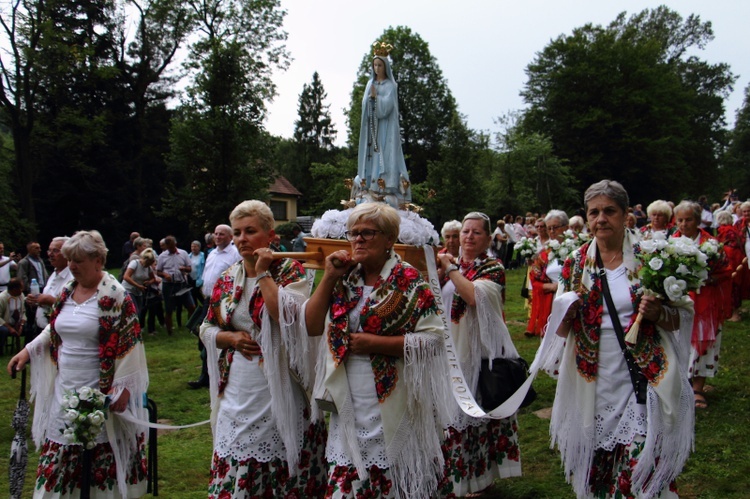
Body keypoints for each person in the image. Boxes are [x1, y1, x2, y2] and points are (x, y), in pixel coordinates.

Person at [547, 180, 694, 497]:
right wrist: (567, 312)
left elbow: (682, 315)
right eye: (594, 212)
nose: (601, 219)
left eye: (609, 211)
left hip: (641, 378)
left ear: (627, 215)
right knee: (598, 469)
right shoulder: (575, 263)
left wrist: (657, 314)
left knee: (642, 469)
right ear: (586, 217)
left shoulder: (651, 258)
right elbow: (560, 327)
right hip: (593, 381)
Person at [304, 202, 449, 498]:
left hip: (394, 395)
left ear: (389, 239)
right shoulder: (346, 278)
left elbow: (433, 339)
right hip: (347, 397)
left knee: (391, 475)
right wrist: (330, 276)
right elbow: (312, 325)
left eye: (367, 233)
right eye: (353, 233)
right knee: (349, 477)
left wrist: (375, 344)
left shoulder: (410, 282)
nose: (358, 239)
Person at [7, 230, 149, 498]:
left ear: (98, 260)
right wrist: (28, 350)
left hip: (100, 388)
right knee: (62, 448)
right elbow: (54, 329)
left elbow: (131, 342)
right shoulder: (66, 293)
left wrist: (124, 387)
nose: (71, 266)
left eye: (78, 260)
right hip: (65, 387)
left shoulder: (117, 297)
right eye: (69, 260)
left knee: (95, 456)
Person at [200, 200, 326, 497]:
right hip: (236, 387)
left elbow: (285, 316)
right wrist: (229, 339)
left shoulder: (291, 271)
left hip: (280, 383)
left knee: (278, 453)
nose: (242, 238)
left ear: (271, 236)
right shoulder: (228, 278)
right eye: (237, 232)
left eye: (250, 231)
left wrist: (263, 272)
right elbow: (206, 327)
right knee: (238, 452)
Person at [436, 212, 522, 497]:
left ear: (487, 239)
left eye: (476, 232)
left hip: (477, 353)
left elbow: (473, 297)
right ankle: (454, 477)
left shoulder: (492, 267)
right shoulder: (452, 265)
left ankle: (481, 479)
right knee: (450, 416)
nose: (469, 236)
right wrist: (439, 274)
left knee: (477, 414)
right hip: (449, 350)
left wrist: (450, 271)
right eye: (465, 232)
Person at [672, 200, 732, 410]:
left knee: (703, 341)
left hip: (705, 302)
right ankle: (680, 384)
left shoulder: (710, 244)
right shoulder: (669, 243)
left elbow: (726, 269)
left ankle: (698, 388)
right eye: (680, 220)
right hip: (678, 302)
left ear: (697, 220)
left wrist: (711, 278)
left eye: (688, 219)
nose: (684, 224)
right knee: (678, 341)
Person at [352, 43, 411, 209]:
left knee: (384, 155)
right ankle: (369, 185)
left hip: (385, 130)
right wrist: (370, 99)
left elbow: (386, 108)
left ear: (385, 66)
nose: (377, 68)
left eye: (380, 65)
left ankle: (384, 186)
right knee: (370, 155)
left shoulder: (390, 86)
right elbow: (365, 105)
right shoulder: (370, 84)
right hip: (371, 130)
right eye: (375, 65)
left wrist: (376, 99)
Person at [187, 224, 240, 389]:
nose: (217, 237)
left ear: (230, 237)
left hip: (224, 302)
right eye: (216, 234)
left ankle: (217, 375)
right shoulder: (211, 253)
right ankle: (206, 375)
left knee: (216, 338)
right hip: (208, 300)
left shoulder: (235, 254)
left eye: (222, 234)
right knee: (204, 337)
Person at [26, 237, 72, 331]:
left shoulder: (73, 278)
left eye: (55, 251)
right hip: (44, 329)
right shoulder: (54, 274)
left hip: (60, 331)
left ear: (68, 253)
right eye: (49, 250)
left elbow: (75, 307)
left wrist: (50, 300)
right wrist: (35, 300)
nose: (50, 254)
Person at [155, 235, 195, 335]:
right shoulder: (162, 256)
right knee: (169, 309)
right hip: (168, 285)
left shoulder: (183, 253)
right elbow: (158, 271)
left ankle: (190, 327)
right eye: (169, 248)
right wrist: (164, 274)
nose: (171, 249)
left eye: (172, 247)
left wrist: (184, 269)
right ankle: (169, 331)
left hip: (181, 283)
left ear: (175, 244)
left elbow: (190, 269)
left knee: (191, 306)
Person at [525, 218, 555, 337]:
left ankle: (542, 323)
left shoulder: (551, 242)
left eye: (542, 226)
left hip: (546, 272)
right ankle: (532, 323)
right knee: (532, 296)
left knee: (544, 297)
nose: (539, 229)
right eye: (537, 226)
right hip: (533, 270)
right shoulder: (533, 242)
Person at [715, 210, 743, 322]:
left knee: (731, 287)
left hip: (731, 260)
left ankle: (733, 313)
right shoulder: (733, 229)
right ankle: (734, 310)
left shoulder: (724, 230)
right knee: (736, 286)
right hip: (737, 259)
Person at [122, 248, 157, 316]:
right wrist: (138, 285)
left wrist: (149, 282)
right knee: (135, 311)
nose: (148, 265)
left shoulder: (148, 268)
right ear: (144, 260)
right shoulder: (135, 263)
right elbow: (126, 277)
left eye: (150, 264)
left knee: (139, 312)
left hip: (139, 291)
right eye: (148, 263)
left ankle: (137, 326)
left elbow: (153, 279)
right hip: (128, 289)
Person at [0, 278, 25, 355]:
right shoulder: (2, 298)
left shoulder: (21, 296)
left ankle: (26, 350)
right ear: (14, 289)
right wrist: (10, 328)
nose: (22, 290)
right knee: (4, 331)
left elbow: (24, 312)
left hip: (18, 322)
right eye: (21, 288)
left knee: (30, 328)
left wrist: (21, 324)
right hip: (4, 323)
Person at [188, 240, 205, 306]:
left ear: (199, 247)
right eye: (192, 246)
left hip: (200, 279)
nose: (193, 248)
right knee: (193, 295)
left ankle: (205, 307)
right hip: (191, 279)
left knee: (198, 294)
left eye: (195, 246)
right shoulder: (189, 256)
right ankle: (196, 310)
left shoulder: (203, 255)